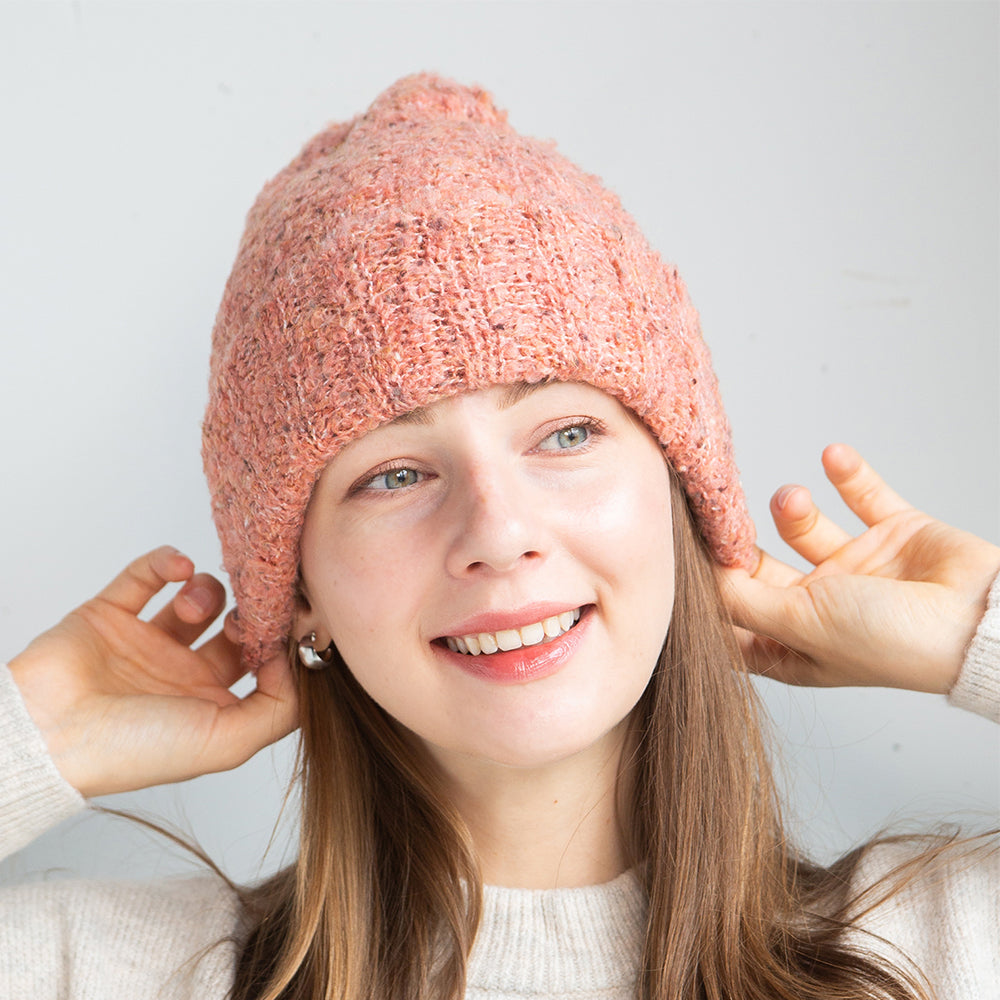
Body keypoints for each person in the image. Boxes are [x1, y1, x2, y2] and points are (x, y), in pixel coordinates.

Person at [1, 73, 997, 1000]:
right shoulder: (98, 973)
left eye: (566, 434)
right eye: (395, 474)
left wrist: (973, 633)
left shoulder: (943, 950)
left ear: (685, 499)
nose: (500, 531)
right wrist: (42, 736)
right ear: (299, 594)